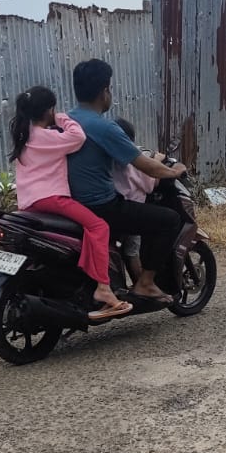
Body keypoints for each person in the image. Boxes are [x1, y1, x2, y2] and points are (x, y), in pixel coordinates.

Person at [65, 59, 187, 304]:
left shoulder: (65, 121)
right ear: (104, 91)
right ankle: (145, 283)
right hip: (101, 206)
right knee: (169, 220)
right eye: (109, 88)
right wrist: (175, 172)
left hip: (70, 203)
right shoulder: (104, 128)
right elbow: (145, 165)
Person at [7, 85, 131, 322]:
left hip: (29, 203)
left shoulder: (25, 136)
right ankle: (104, 288)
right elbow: (78, 137)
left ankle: (82, 275)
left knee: (81, 232)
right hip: (51, 198)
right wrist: (63, 118)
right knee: (98, 227)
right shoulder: (47, 136)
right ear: (48, 110)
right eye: (53, 109)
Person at [110, 117, 159, 282]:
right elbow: (150, 184)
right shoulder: (133, 160)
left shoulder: (107, 156)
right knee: (132, 250)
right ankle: (142, 286)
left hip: (110, 209)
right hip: (132, 212)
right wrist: (157, 161)